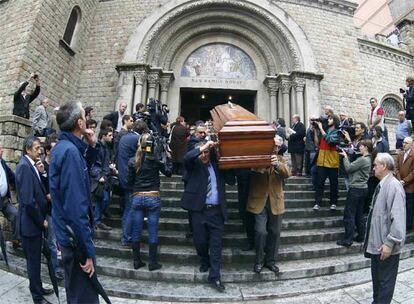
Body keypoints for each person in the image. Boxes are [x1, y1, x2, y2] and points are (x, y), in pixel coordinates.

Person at [49, 101, 99, 304]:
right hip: (75, 240)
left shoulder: (66, 148)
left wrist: (92, 146)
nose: (87, 119)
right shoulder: (69, 152)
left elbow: (80, 174)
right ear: (80, 122)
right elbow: (76, 207)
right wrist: (86, 252)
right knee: (84, 298)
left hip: (69, 236)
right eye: (84, 116)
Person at [180, 140, 235, 292]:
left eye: (206, 153)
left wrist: (226, 158)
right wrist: (203, 147)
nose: (204, 155)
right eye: (202, 153)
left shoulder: (217, 166)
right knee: (200, 242)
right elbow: (186, 158)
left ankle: (215, 276)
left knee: (216, 246)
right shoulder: (193, 165)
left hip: (216, 212)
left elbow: (231, 181)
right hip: (198, 210)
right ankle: (204, 259)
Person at [364, 153, 406, 304]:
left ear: (385, 166)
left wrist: (390, 243)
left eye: (375, 165)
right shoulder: (382, 185)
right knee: (378, 283)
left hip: (386, 247)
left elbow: (398, 218)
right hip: (377, 245)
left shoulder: (394, 186)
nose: (373, 167)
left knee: (385, 285)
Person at [127, 133, 172, 270]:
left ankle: (136, 261)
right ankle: (152, 263)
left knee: (136, 230)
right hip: (153, 196)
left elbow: (129, 181)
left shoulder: (133, 161)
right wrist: (168, 158)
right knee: (153, 230)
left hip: (138, 196)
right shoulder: (156, 160)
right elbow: (169, 173)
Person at [16, 136, 53, 304]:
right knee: (33, 262)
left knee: (36, 259)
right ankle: (37, 297)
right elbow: (27, 201)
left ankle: (38, 287)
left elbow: (39, 189)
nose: (40, 151)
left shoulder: (32, 165)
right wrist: (41, 221)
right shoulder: (24, 167)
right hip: (31, 225)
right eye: (37, 148)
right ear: (28, 150)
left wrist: (42, 173)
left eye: (40, 148)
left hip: (35, 223)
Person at [247, 136, 291, 274]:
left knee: (275, 232)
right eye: (274, 145)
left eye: (278, 146)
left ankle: (270, 261)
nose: (275, 148)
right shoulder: (258, 158)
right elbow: (252, 172)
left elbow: (287, 173)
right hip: (259, 201)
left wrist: (276, 164)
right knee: (260, 231)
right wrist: (263, 164)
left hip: (275, 202)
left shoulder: (281, 160)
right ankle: (259, 261)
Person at [117, 120, 149, 246]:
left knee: (127, 209)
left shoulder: (125, 137)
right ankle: (127, 237)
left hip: (123, 176)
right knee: (130, 209)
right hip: (130, 178)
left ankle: (126, 235)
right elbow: (145, 154)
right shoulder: (137, 139)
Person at [336, 139, 372, 247]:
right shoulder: (368, 159)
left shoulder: (363, 160)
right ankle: (361, 236)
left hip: (355, 189)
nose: (359, 148)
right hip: (363, 189)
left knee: (349, 214)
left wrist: (345, 157)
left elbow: (348, 168)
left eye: (361, 146)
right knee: (359, 215)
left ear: (366, 147)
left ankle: (348, 239)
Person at [40, 134, 64, 280]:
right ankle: (54, 269)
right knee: (52, 241)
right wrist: (47, 195)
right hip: (48, 209)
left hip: (59, 207)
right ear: (48, 151)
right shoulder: (42, 166)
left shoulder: (59, 166)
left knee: (57, 240)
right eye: (54, 149)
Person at [313, 115, 341, 211]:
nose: (328, 120)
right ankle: (317, 203)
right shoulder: (325, 130)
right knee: (319, 183)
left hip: (332, 162)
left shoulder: (338, 132)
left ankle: (333, 202)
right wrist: (316, 130)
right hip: (322, 161)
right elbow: (317, 143)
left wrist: (321, 128)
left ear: (335, 120)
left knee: (334, 184)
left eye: (330, 118)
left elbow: (330, 141)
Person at [91, 127, 114, 231]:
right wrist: (98, 176)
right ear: (103, 136)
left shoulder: (106, 148)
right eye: (109, 135)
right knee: (102, 199)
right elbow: (94, 163)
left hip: (104, 176)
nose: (112, 137)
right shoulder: (99, 147)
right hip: (100, 178)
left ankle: (97, 221)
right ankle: (96, 221)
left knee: (103, 199)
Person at [0, 143, 19, 247]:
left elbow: (12, 177)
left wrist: (21, 186)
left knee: (16, 215)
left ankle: (16, 240)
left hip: (4, 200)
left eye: (2, 148)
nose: (2, 151)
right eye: (0, 149)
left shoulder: (2, 162)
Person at [395, 137, 414, 231]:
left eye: (406, 143)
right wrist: (399, 180)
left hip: (409, 186)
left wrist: (404, 181)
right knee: (400, 206)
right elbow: (396, 168)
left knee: (409, 207)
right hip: (400, 184)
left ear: (411, 144)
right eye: (403, 142)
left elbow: (413, 172)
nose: (404, 144)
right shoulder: (400, 154)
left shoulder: (413, 155)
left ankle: (408, 226)